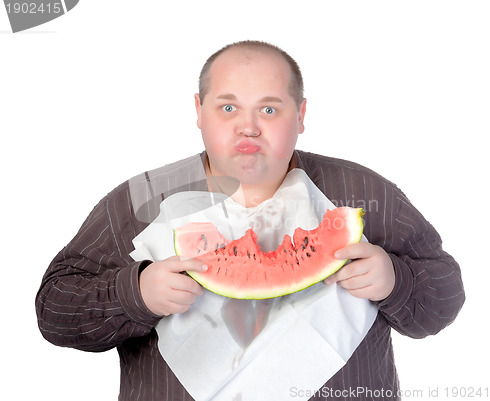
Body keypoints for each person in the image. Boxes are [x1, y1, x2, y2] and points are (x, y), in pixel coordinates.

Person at [36, 40, 465, 400]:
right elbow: (54, 311)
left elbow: (444, 300)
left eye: (269, 110)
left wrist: (396, 282)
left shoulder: (365, 194)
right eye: (227, 108)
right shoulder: (138, 202)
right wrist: (135, 293)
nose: (248, 128)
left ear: (301, 115)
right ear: (199, 111)